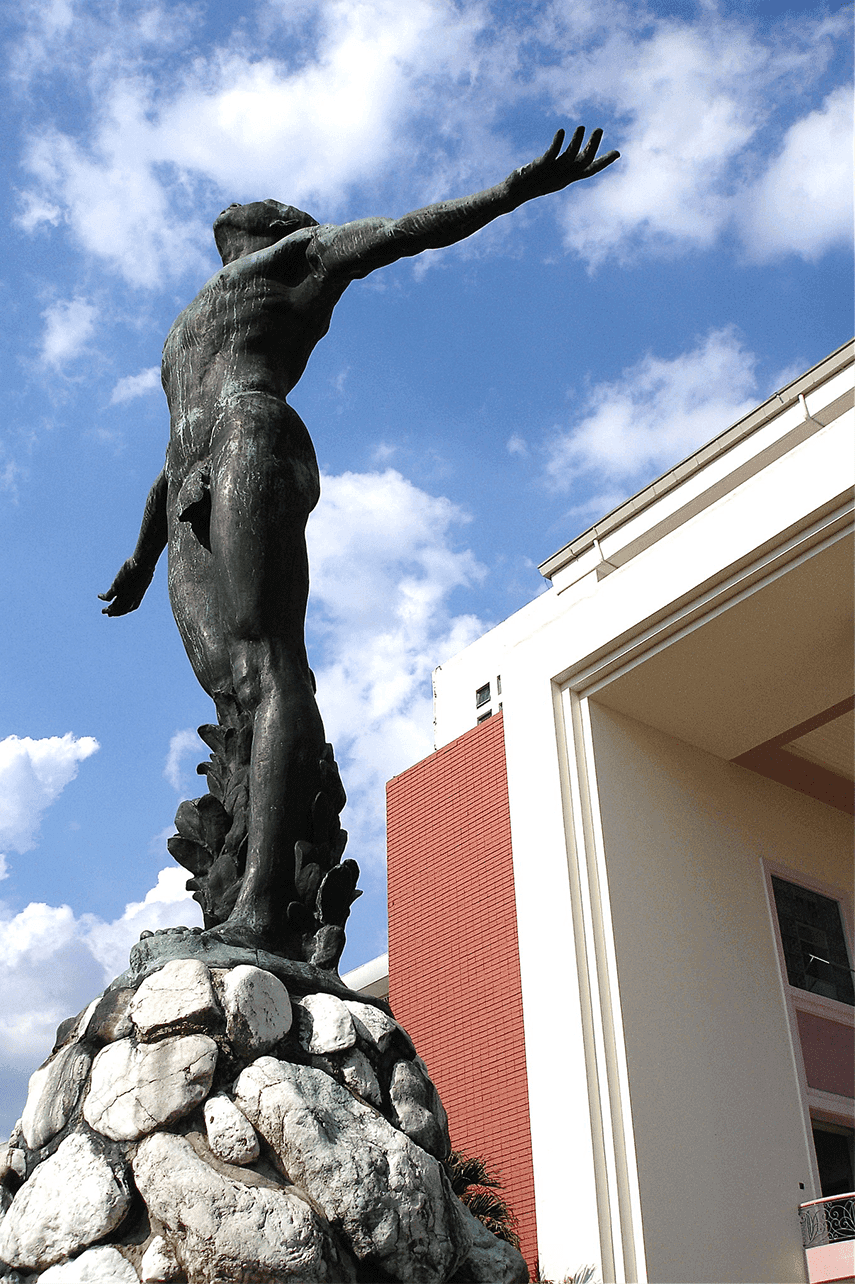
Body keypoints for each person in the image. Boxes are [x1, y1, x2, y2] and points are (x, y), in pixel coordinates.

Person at [100, 126, 619, 951]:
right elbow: (173, 438)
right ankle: (247, 875)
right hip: (189, 477)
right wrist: (142, 549)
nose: (234, 207)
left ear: (274, 228)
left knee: (269, 665)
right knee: (230, 683)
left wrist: (507, 193)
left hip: (249, 439)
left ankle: (267, 905)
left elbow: (402, 232)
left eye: (253, 209)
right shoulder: (186, 323)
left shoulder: (295, 257)